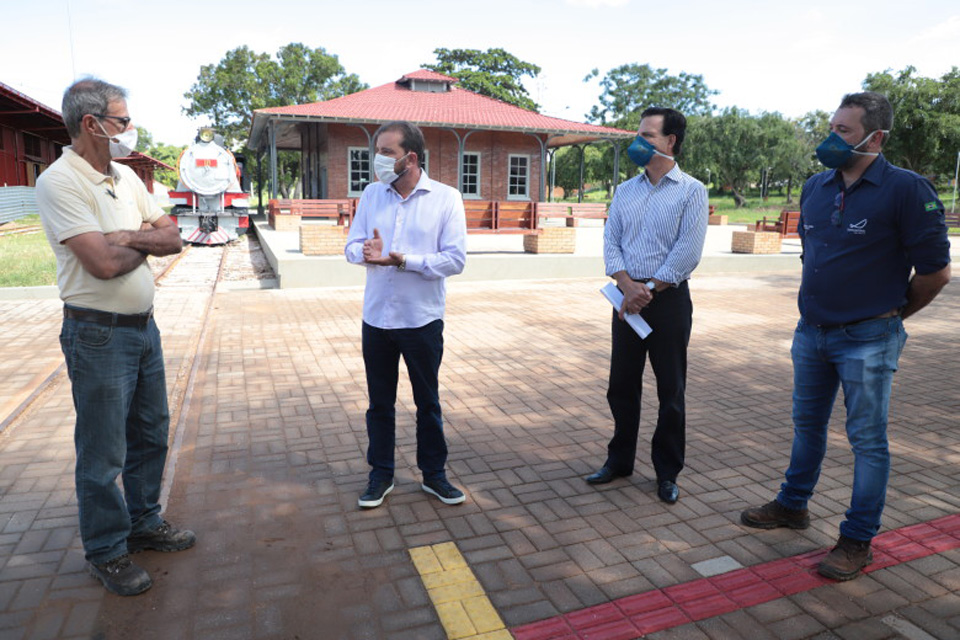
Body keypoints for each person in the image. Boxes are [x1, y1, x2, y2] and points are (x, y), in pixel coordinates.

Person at [741, 91, 951, 581]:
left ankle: (857, 539)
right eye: (831, 127)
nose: (830, 138)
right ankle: (793, 504)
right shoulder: (816, 187)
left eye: (843, 131)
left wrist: (891, 316)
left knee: (868, 441)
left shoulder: (906, 189)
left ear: (875, 139)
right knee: (806, 425)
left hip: (869, 338)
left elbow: (936, 273)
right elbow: (812, 255)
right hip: (811, 333)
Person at [36, 78, 195, 597]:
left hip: (143, 328)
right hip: (97, 335)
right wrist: (146, 242)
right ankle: (106, 550)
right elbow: (102, 264)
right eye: (122, 120)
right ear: (92, 124)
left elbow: (174, 235)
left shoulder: (125, 178)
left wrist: (128, 236)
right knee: (103, 450)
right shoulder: (61, 182)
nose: (130, 128)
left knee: (151, 432)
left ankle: (144, 522)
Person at [585, 107, 708, 504]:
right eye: (638, 134)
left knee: (671, 389)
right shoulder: (625, 191)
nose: (638, 142)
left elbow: (687, 252)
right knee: (621, 386)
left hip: (668, 301)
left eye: (648, 136)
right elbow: (611, 241)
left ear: (671, 141)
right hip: (625, 300)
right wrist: (626, 285)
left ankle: (667, 472)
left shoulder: (691, 191)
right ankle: (619, 460)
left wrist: (649, 288)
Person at [345, 121, 467, 509]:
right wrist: (365, 252)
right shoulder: (371, 194)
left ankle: (434, 475)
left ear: (410, 158)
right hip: (377, 319)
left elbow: (455, 259)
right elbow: (351, 247)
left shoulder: (446, 198)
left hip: (421, 320)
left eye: (387, 152)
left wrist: (402, 261)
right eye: (377, 151)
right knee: (379, 404)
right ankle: (381, 475)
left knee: (427, 403)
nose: (378, 159)